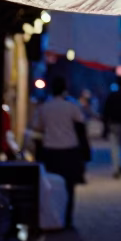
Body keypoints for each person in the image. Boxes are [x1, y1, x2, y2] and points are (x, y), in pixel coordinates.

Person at [29, 76, 85, 228]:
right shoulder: (72, 107)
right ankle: (68, 219)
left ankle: (53, 217)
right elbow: (81, 127)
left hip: (51, 150)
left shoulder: (44, 107)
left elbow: (37, 128)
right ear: (64, 89)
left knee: (51, 186)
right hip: (69, 150)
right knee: (69, 186)